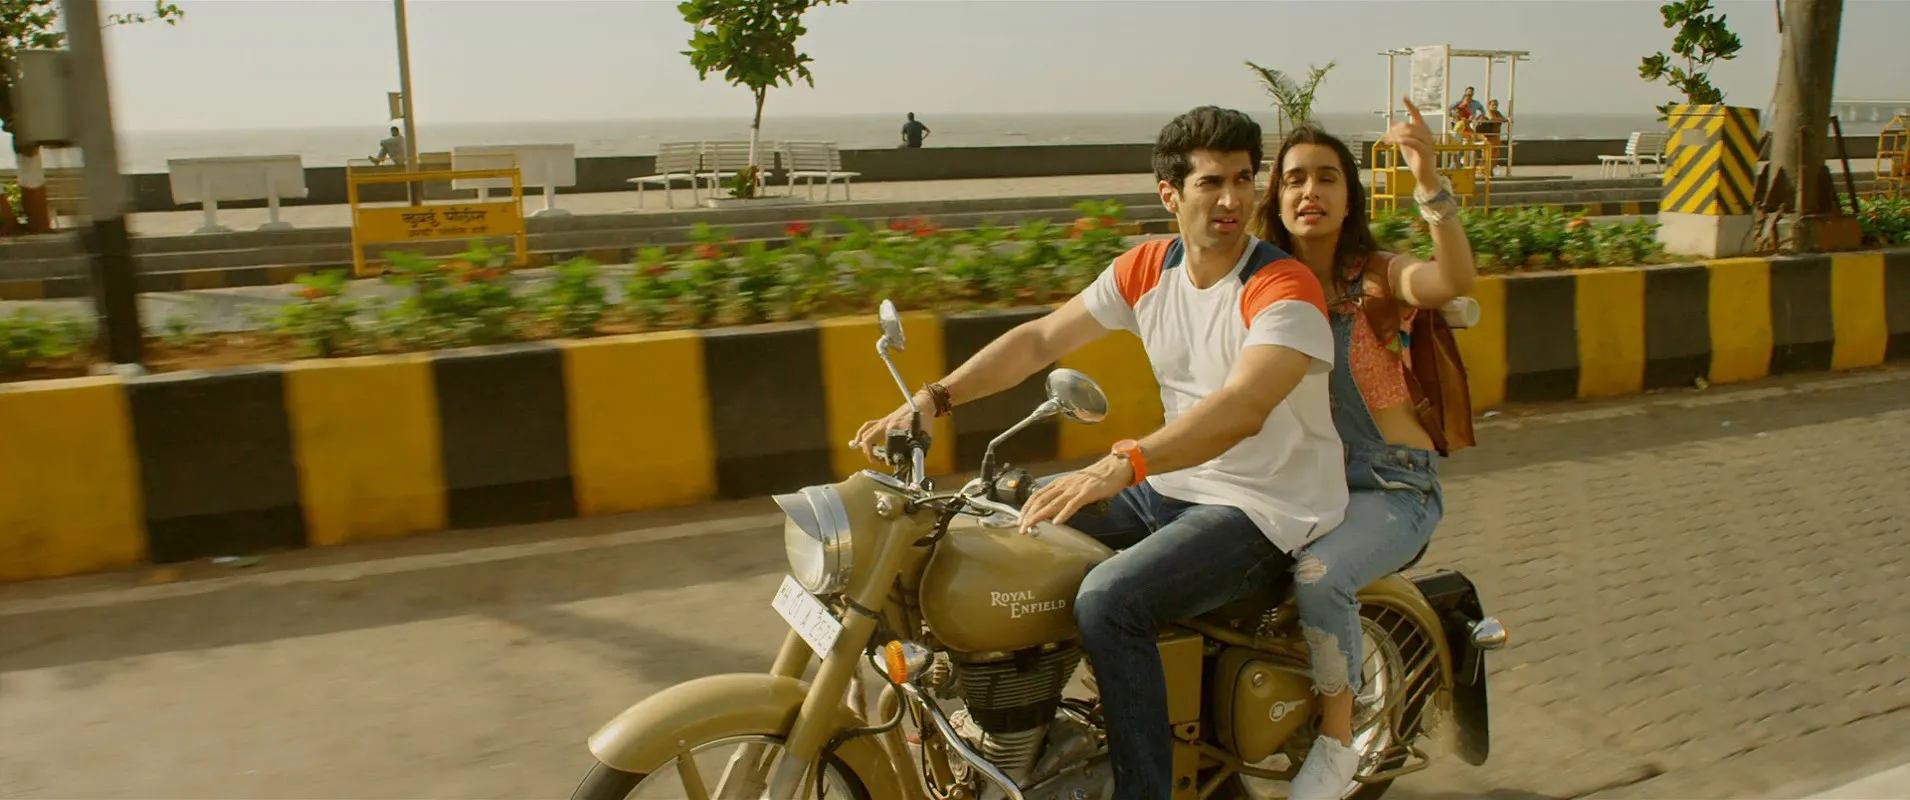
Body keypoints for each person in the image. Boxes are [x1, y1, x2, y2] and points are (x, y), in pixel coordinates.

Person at [854, 105, 1349, 800]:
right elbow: (1040, 340)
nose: (1232, 199)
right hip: (1175, 484)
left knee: (1110, 602)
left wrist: (1123, 463)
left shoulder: (1280, 286)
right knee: (993, 527)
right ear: (1169, 193)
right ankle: (1013, 723)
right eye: (1211, 182)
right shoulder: (1148, 268)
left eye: (1243, 179)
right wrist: (933, 399)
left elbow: (1243, 407)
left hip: (1266, 505)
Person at [1254, 101, 1478, 800]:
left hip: (1390, 486)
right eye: (1294, 179)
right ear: (1276, 198)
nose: (1309, 191)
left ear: (1349, 197)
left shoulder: (1376, 277)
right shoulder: (1261, 284)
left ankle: (1336, 746)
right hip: (1301, 480)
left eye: (1327, 178)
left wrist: (1429, 181)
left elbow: (1450, 281)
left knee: (1320, 576)